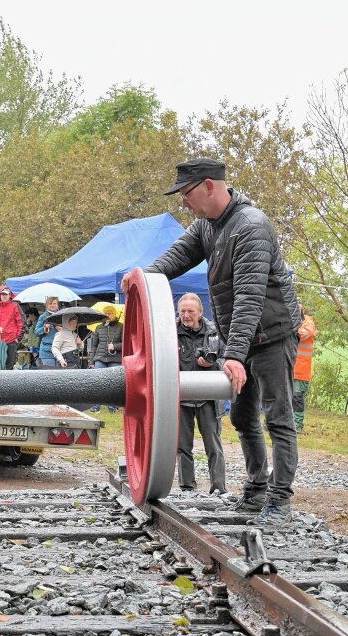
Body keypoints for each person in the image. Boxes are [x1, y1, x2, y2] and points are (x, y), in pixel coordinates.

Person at [124, 157, 300, 527]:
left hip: (271, 335)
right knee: (242, 415)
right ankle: (256, 490)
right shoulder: (207, 225)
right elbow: (175, 258)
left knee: (279, 418)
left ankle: (279, 502)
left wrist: (233, 355)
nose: (183, 203)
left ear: (208, 186)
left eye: (185, 195)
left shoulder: (252, 226)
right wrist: (140, 278)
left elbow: (250, 296)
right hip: (243, 337)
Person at [175, 294, 227, 494]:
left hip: (208, 397)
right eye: (183, 312)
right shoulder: (170, 332)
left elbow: (228, 357)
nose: (186, 315)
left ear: (200, 312)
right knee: (183, 446)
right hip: (181, 398)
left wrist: (214, 364)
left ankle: (219, 487)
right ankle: (187, 487)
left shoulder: (216, 331)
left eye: (190, 311)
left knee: (213, 445)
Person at [88, 304, 123, 412]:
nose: (107, 315)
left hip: (115, 358)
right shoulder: (98, 327)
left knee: (114, 383)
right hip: (100, 357)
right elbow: (94, 345)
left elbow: (126, 343)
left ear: (114, 314)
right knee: (97, 381)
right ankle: (96, 406)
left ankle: (112, 406)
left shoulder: (121, 326)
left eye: (110, 313)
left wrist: (115, 346)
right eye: (105, 314)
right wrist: (91, 360)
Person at [292, 304, 317, 433]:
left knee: (297, 397)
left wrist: (290, 330)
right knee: (280, 396)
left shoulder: (308, 322)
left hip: (301, 370)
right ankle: (272, 422)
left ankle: (297, 424)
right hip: (286, 367)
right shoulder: (287, 320)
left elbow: (305, 333)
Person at [0, 286, 24, 370]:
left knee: (9, 367)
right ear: (0, 295)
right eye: (2, 294)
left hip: (11, 341)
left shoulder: (15, 306)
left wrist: (18, 338)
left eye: (6, 294)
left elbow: (21, 323)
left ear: (10, 295)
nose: (4, 296)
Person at [34, 297, 61, 367]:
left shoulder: (62, 316)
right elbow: (36, 332)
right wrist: (45, 328)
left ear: (58, 305)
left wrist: (62, 330)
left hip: (60, 350)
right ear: (46, 305)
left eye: (55, 303)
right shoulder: (43, 317)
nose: (53, 305)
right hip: (46, 351)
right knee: (48, 374)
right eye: (50, 303)